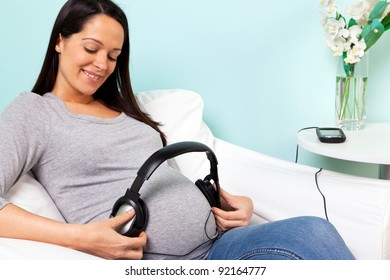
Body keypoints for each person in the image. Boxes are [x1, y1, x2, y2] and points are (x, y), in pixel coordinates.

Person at [0, 0, 355, 260]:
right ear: (60, 41)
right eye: (91, 48)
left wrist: (235, 206)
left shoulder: (125, 110)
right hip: (166, 264)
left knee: (313, 229)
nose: (102, 64)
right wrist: (77, 238)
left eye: (113, 55)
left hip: (220, 244)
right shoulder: (34, 112)